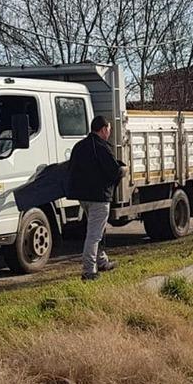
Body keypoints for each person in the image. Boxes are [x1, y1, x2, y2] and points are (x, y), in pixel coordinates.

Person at [68, 116, 126, 281]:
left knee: (98, 230)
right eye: (109, 129)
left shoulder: (79, 146)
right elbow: (113, 171)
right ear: (103, 129)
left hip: (83, 198)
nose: (109, 132)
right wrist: (123, 170)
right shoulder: (101, 147)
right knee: (94, 235)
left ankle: (102, 261)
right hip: (99, 198)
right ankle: (88, 271)